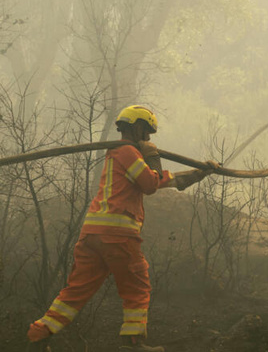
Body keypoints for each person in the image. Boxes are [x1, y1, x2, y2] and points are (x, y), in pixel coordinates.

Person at [27, 105, 218, 352]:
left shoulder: (117, 154)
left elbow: (157, 180)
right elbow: (150, 183)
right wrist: (153, 157)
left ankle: (39, 334)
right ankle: (133, 343)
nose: (148, 138)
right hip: (117, 235)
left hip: (92, 235)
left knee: (76, 291)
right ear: (136, 127)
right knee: (137, 286)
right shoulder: (128, 151)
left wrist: (198, 174)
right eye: (147, 132)